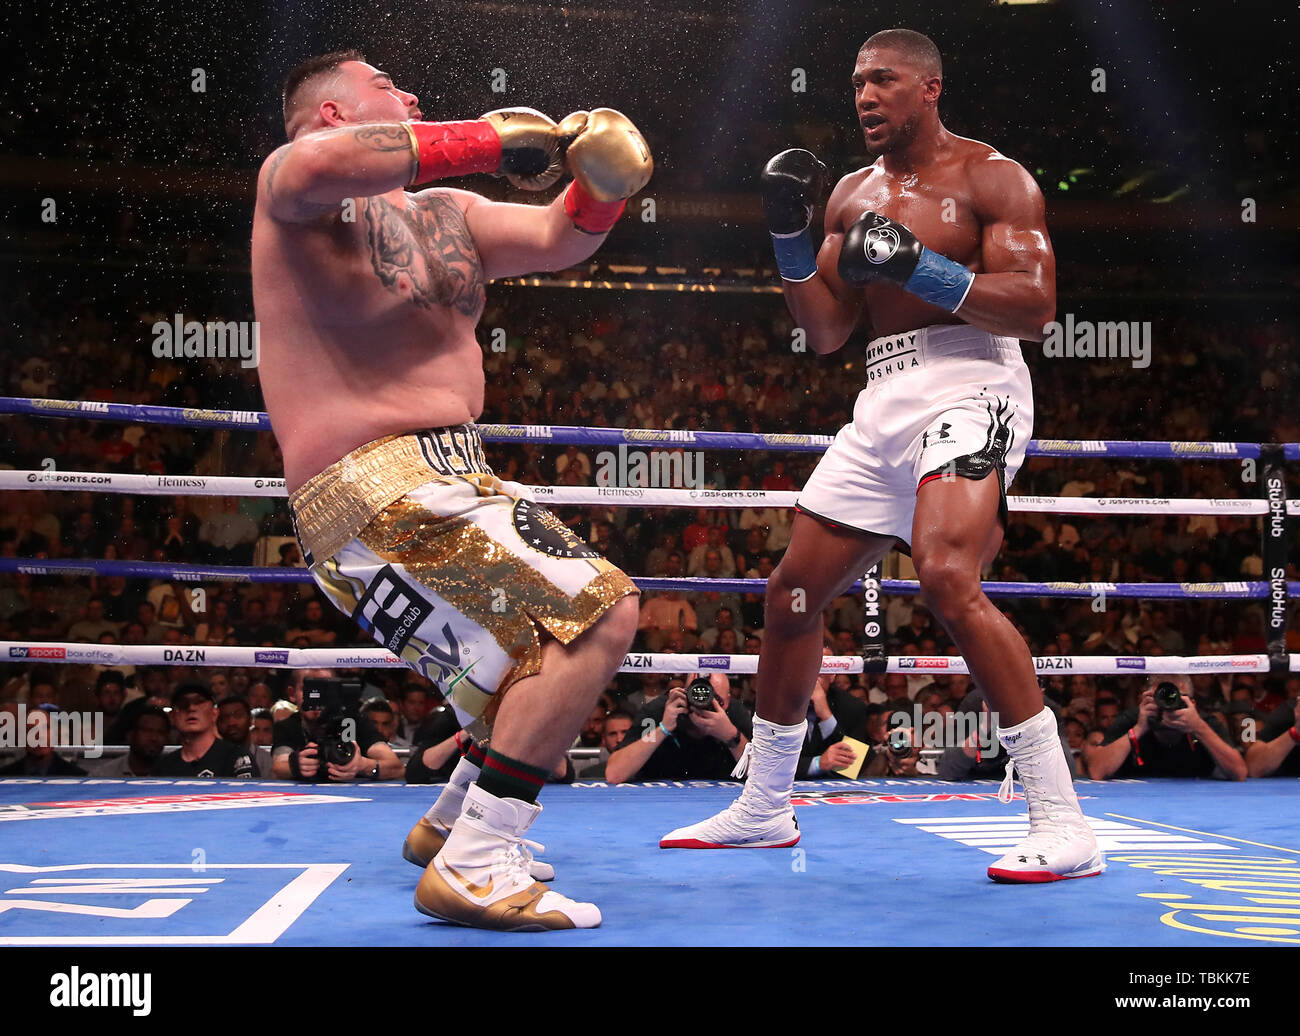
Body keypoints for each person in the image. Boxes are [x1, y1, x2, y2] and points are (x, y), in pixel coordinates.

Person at [661, 29, 1102, 883]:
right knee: (790, 595)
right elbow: (825, 331)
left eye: (884, 80)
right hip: (881, 392)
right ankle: (765, 807)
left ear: (930, 87)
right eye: (858, 82)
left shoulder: (990, 177)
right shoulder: (850, 195)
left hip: (973, 381)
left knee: (946, 577)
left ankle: (1061, 817)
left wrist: (921, 268)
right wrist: (791, 240)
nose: (865, 96)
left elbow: (1037, 306)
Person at [251, 51, 650, 930]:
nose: (412, 95)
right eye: (387, 86)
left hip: (449, 475)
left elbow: (558, 240)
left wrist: (604, 188)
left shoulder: (447, 214)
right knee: (598, 611)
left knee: (523, 662)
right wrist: (482, 139)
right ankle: (476, 862)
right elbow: (320, 166)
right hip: (375, 484)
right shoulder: (297, 185)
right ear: (328, 112)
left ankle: (448, 827)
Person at [605, 673, 751, 783]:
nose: (704, 703)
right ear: (684, 693)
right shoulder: (659, 712)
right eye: (696, 695)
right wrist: (663, 728)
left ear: (728, 701)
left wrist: (732, 736)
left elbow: (764, 777)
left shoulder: (735, 715)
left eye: (716, 699)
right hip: (659, 803)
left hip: (722, 806)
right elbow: (614, 774)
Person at [155, 685, 255, 778]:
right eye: (183, 704)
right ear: (172, 717)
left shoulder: (237, 758)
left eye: (199, 702)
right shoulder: (164, 765)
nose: (191, 708)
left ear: (214, 713)